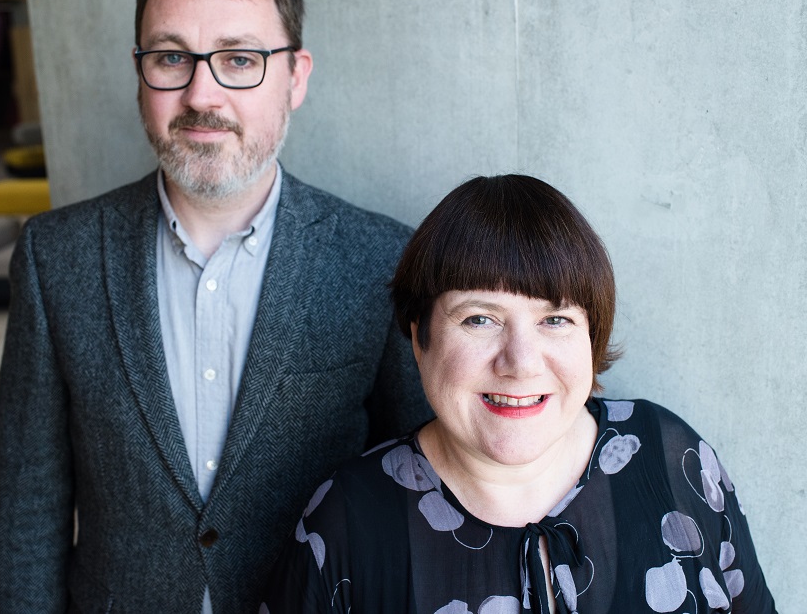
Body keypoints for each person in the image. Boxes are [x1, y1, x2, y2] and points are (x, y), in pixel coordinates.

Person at [0, 0, 430, 613]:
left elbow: (418, 483)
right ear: (140, 73)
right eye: (171, 57)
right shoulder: (56, 256)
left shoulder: (381, 259)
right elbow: (28, 503)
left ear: (296, 76)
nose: (201, 93)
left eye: (239, 59)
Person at [262, 175, 776, 613]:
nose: (521, 362)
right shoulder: (347, 522)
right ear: (419, 337)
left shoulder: (674, 461)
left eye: (555, 319)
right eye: (480, 319)